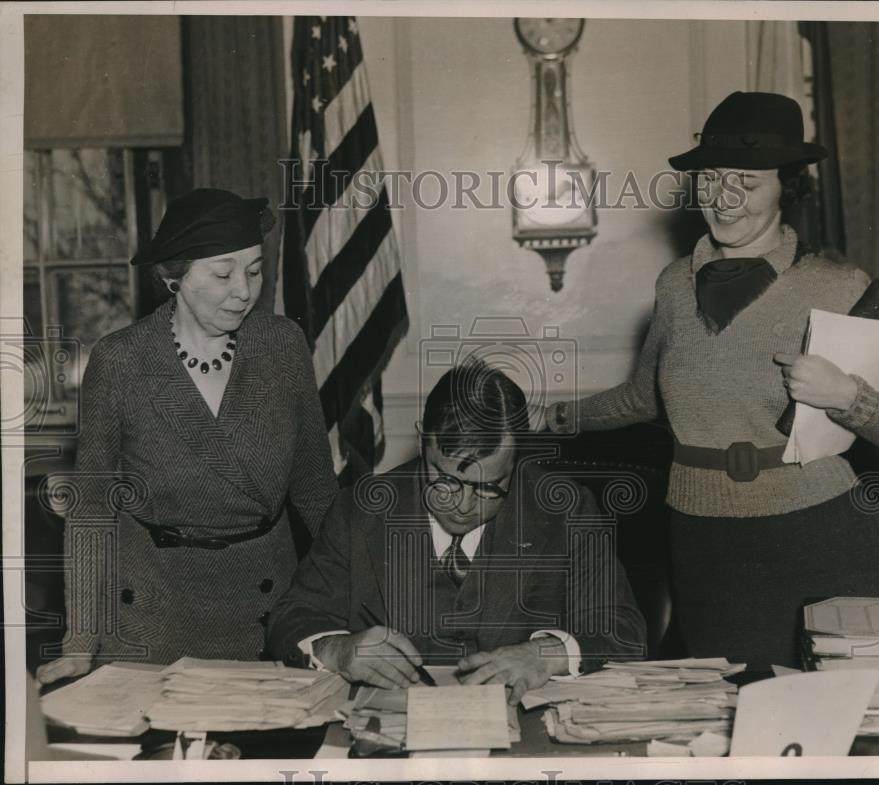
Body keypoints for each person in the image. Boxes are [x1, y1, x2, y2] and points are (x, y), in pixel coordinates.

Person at [543, 92, 879, 669]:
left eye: (746, 183)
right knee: (726, 714)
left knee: (836, 719)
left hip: (819, 530)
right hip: (704, 538)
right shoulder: (673, 285)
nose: (724, 201)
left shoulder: (837, 285)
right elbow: (644, 395)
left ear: (787, 187)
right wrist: (556, 416)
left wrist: (847, 396)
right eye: (711, 181)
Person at [37, 188, 337, 683]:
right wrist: (78, 645)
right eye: (223, 273)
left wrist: (355, 609)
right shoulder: (121, 361)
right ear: (173, 276)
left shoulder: (282, 347)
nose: (244, 290)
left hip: (266, 612)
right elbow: (92, 509)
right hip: (152, 617)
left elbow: (316, 489)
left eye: (255, 270)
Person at [267, 358, 646, 704]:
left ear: (517, 459)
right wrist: (340, 650)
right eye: (445, 479)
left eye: (488, 486)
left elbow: (623, 629)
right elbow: (292, 617)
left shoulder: (566, 510)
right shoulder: (361, 509)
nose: (463, 505)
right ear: (422, 442)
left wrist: (546, 654)